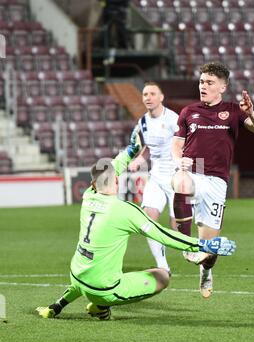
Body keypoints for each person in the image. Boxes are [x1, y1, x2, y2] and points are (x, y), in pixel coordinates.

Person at [36, 130, 236, 320]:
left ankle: (59, 305)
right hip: (103, 291)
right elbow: (164, 236)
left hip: (76, 276)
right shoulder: (125, 211)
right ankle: (101, 306)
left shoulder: (88, 196)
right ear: (117, 180)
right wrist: (204, 245)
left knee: (90, 265)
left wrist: (130, 151)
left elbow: (110, 169)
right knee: (162, 277)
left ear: (94, 184)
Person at [172, 61, 254, 299]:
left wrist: (251, 113)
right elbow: (176, 145)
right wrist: (179, 161)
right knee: (180, 183)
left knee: (209, 250)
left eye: (209, 83)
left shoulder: (234, 111)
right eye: (201, 82)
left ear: (222, 87)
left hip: (217, 179)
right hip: (195, 170)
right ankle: (186, 245)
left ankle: (206, 272)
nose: (203, 86)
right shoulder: (189, 112)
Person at [128, 81, 179, 274]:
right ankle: (162, 265)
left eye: (152, 94)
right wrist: (138, 161)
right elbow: (147, 149)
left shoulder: (174, 119)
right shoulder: (143, 122)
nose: (148, 97)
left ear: (161, 97)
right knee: (149, 220)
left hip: (175, 177)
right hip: (156, 177)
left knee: (177, 229)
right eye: (145, 94)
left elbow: (186, 144)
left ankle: (192, 252)